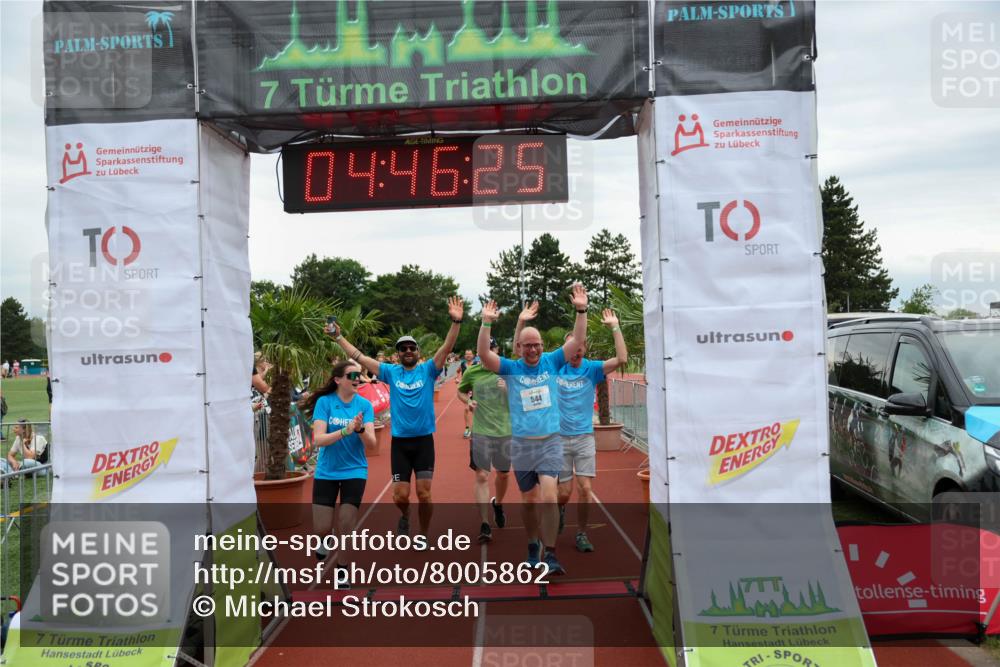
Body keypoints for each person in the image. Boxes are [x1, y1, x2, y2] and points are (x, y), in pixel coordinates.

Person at [327, 296, 465, 541]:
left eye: (412, 348)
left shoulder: (428, 370)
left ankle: (422, 533)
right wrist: (338, 337)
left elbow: (446, 348)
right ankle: (405, 514)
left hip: (423, 442)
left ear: (417, 352)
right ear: (398, 354)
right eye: (404, 349)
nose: (408, 351)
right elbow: (359, 357)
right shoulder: (389, 372)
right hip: (400, 444)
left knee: (424, 493)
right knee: (399, 496)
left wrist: (456, 322)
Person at [477, 284, 589, 575]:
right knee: (528, 501)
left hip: (551, 442)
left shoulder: (552, 361)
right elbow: (484, 355)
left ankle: (550, 554)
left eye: (536, 344)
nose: (533, 348)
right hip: (523, 445)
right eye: (527, 345)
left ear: (542, 345)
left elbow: (577, 340)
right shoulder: (512, 368)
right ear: (520, 348)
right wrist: (486, 323)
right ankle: (531, 544)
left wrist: (581, 310)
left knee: (550, 497)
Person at [546, 310, 628, 553]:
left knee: (585, 489)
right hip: (558, 439)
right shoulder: (555, 368)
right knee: (563, 493)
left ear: (584, 348)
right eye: (572, 346)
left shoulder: (592, 369)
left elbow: (622, 358)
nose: (576, 350)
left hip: (583, 437)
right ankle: (560, 510)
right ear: (565, 349)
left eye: (580, 345)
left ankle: (581, 533)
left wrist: (615, 326)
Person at [302, 360, 375, 589]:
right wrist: (345, 431)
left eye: (359, 375)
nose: (357, 379)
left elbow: (371, 445)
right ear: (338, 380)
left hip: (355, 471)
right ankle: (325, 538)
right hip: (326, 472)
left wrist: (361, 429)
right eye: (352, 375)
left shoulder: (364, 405)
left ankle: (342, 570)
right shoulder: (325, 403)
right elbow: (319, 439)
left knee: (346, 523)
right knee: (321, 528)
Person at [457, 337, 511, 543]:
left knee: (504, 475)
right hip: (481, 432)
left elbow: (523, 396)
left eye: (491, 349)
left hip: (505, 430)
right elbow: (461, 392)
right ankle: (485, 523)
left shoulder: (507, 370)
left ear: (496, 350)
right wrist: (469, 401)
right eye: (483, 350)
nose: (486, 353)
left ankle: (498, 503)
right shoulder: (472, 372)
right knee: (481, 476)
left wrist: (509, 390)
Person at [457, 349, 477, 438]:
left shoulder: (476, 364)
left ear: (473, 355)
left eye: (470, 354)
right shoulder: (462, 364)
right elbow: (458, 372)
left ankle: (474, 428)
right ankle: (467, 428)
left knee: (474, 409)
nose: (468, 356)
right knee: (466, 408)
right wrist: (457, 379)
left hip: (475, 389)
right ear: (465, 356)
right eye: (466, 354)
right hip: (466, 390)